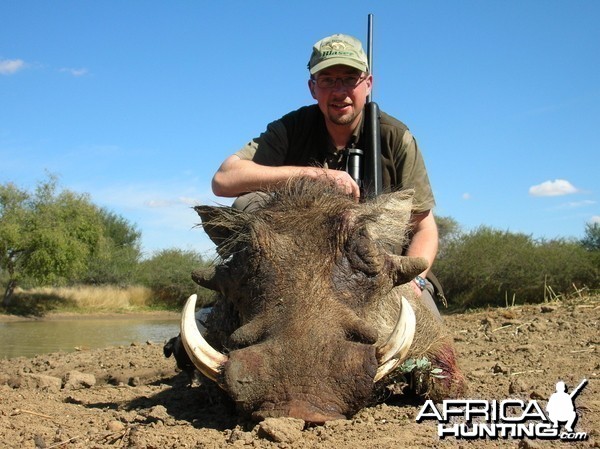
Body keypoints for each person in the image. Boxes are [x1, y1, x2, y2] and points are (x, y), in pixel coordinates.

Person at [211, 33, 442, 320]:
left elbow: (424, 228)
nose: (339, 91)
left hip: (380, 276)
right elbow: (223, 179)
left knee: (433, 347)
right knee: (249, 203)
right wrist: (313, 176)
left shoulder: (396, 138)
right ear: (312, 88)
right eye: (328, 80)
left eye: (349, 78)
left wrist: (413, 283)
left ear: (368, 84)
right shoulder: (291, 129)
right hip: (296, 279)